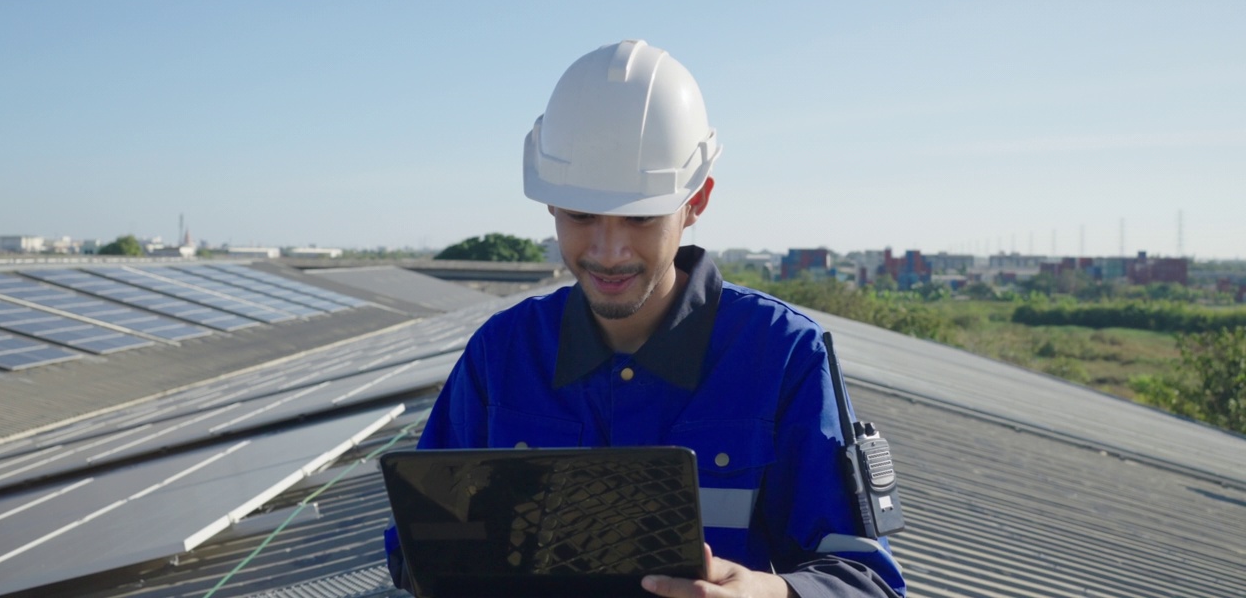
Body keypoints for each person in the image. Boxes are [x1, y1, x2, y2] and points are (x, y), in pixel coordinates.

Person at [385, 39, 907, 598]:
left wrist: (767, 592)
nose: (609, 251)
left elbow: (867, 581)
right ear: (550, 205)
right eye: (583, 215)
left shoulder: (781, 356)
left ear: (696, 202)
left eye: (640, 218)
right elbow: (416, 552)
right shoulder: (502, 354)